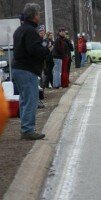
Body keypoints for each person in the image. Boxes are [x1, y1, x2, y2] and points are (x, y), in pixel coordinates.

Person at [12, 3, 52, 140]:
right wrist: (46, 49)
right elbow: (34, 51)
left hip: (17, 69)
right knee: (31, 100)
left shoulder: (19, 30)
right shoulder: (30, 31)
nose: (39, 16)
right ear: (34, 15)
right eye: (38, 14)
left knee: (24, 100)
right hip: (27, 70)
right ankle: (28, 130)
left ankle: (26, 128)